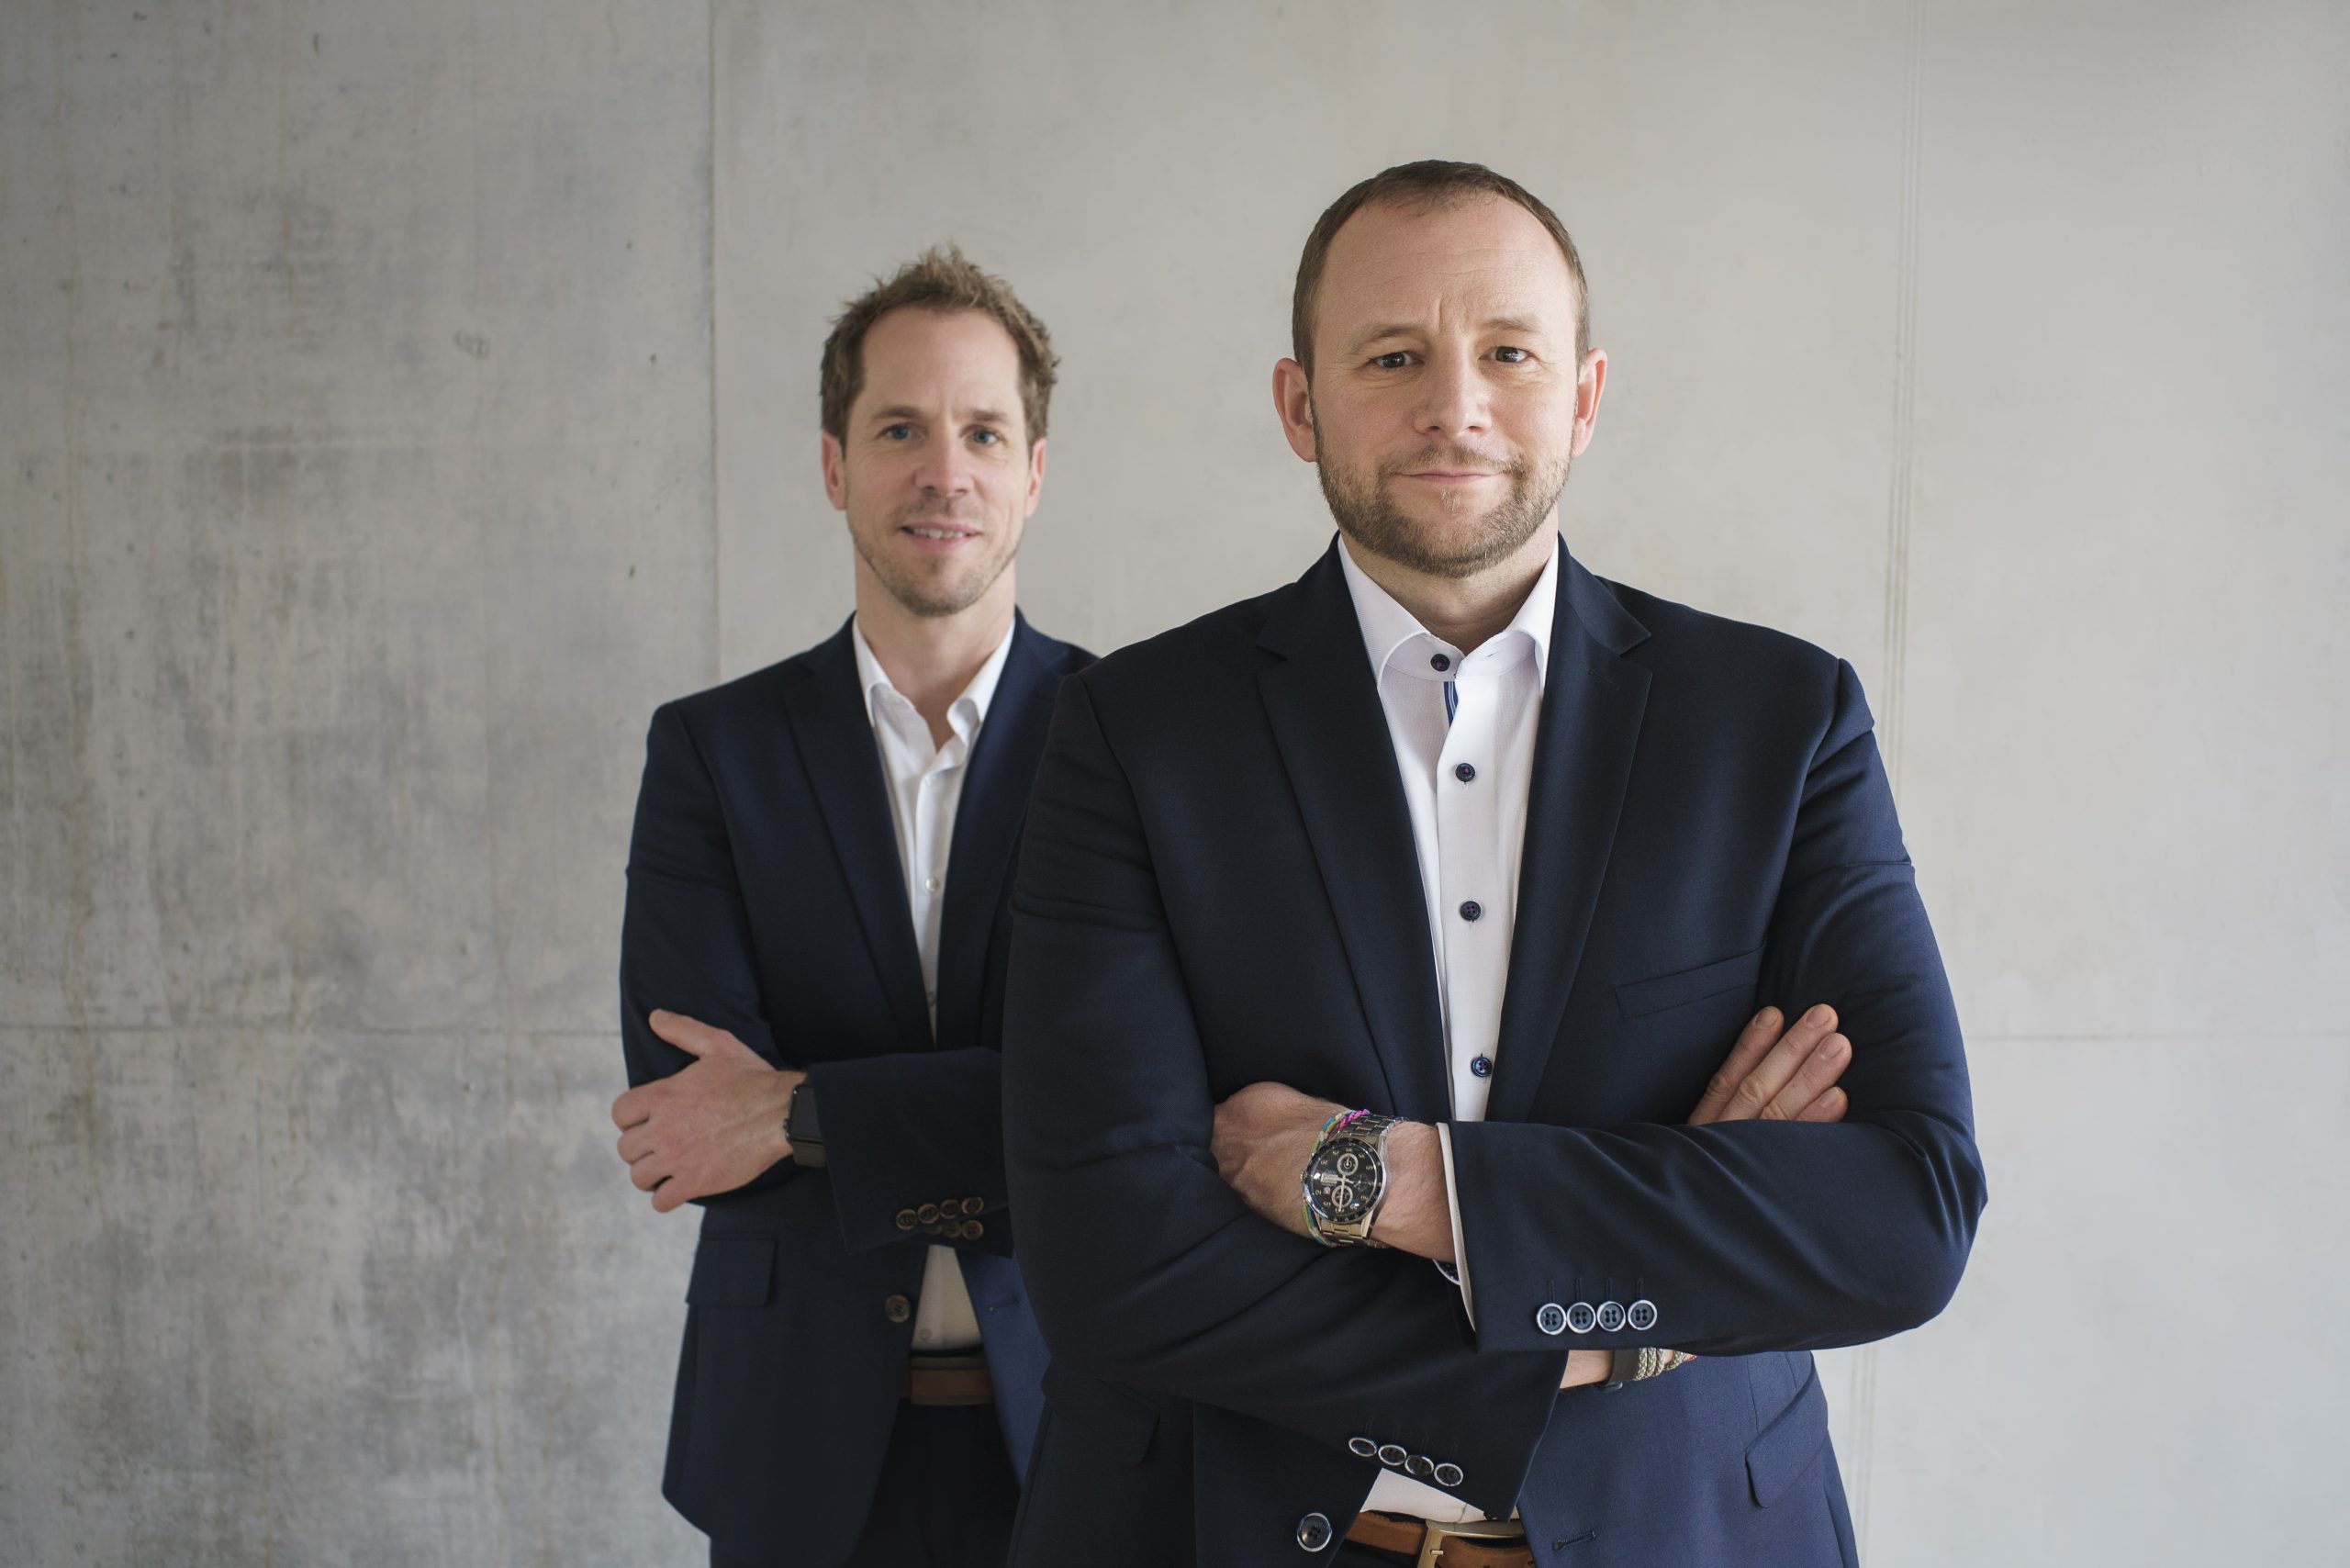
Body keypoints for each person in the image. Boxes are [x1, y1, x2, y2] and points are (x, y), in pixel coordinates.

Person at [1000, 162, 1986, 1567]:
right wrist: (1624, 1317)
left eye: (1508, 354)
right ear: (1301, 405)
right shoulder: (1131, 734)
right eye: (1391, 355)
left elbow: (1906, 1213)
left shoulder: (1778, 723)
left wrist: (1398, 1184)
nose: (1452, 405)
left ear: (1583, 396)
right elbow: (1112, 1262)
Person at [609, 247, 1091, 1568]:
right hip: (790, 1439)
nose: (947, 472)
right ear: (835, 465)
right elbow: (683, 1108)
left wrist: (799, 1114)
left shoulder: (1135, 745)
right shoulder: (714, 751)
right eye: (900, 429)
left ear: (1033, 473)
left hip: (1087, 1430)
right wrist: (994, 1119)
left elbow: (1129, 1106)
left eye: (984, 431)